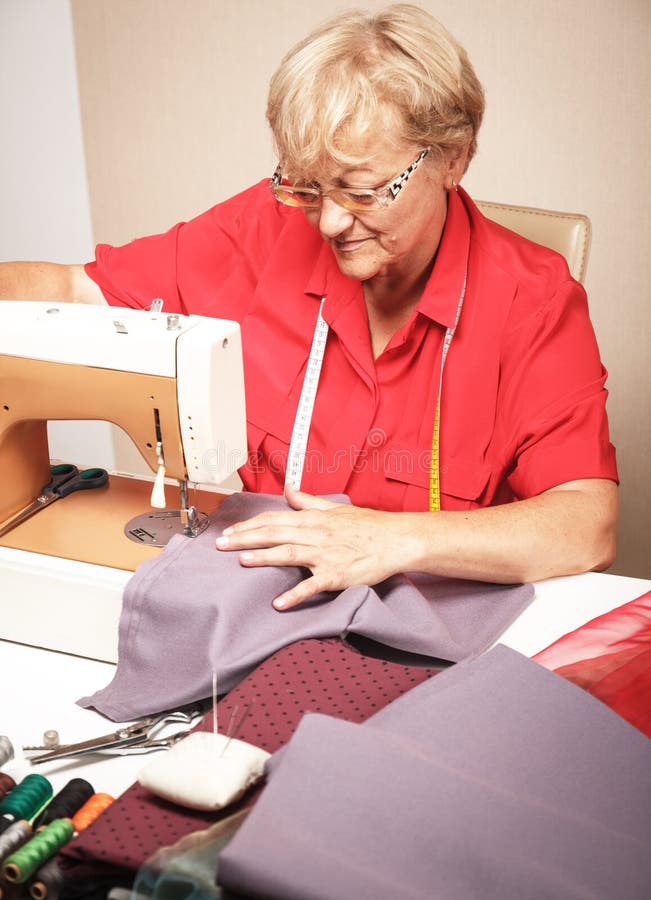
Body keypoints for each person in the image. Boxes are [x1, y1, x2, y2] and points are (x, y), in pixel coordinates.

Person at [0, 4, 618, 611]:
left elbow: (585, 523)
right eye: (311, 187)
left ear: (453, 158)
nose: (329, 221)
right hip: (277, 609)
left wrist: (393, 540)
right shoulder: (265, 230)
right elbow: (75, 292)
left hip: (443, 632)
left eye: (361, 190)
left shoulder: (532, 299)